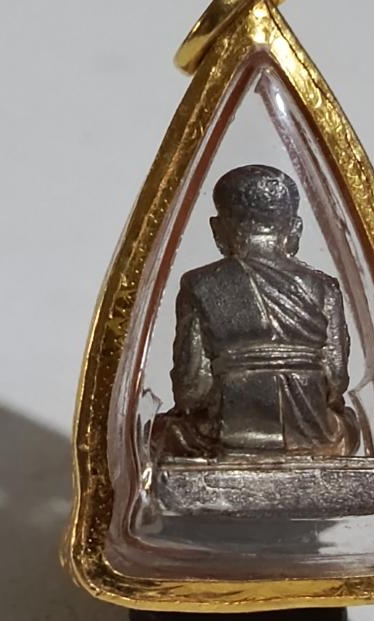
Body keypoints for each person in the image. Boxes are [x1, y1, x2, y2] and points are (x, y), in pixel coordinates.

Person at [152, 164, 360, 459]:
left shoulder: (200, 284)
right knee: (349, 426)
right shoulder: (324, 287)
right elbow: (336, 377)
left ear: (217, 228)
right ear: (295, 228)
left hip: (226, 434)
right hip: (313, 432)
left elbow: (191, 385)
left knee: (163, 433)